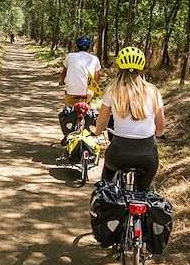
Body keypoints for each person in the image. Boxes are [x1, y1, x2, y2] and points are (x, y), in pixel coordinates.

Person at [92, 46, 165, 190]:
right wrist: (158, 134)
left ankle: (107, 208)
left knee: (106, 189)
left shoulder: (112, 90)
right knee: (142, 193)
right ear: (142, 68)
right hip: (147, 155)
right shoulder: (153, 91)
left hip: (118, 153)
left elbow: (102, 121)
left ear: (119, 67)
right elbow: (161, 127)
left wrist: (97, 131)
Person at [59, 36, 101, 107]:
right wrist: (94, 89)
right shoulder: (94, 59)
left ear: (77, 46)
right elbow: (96, 78)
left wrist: (62, 81)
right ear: (89, 47)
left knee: (68, 109)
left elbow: (64, 72)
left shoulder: (70, 56)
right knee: (88, 105)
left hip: (71, 92)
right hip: (88, 93)